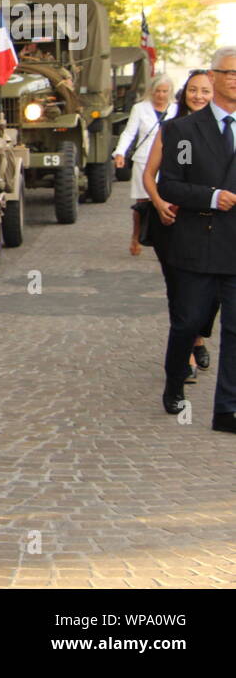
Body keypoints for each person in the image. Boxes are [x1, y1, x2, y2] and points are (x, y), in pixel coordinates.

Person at [156, 47, 236, 432]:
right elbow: (169, 183)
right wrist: (210, 196)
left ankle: (227, 409)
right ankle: (174, 383)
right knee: (188, 323)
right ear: (214, 75)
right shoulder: (183, 131)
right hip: (197, 242)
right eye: (230, 72)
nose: (235, 79)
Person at [143, 70, 216, 385]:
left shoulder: (224, 132)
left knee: (213, 294)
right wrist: (159, 204)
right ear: (185, 93)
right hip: (172, 222)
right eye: (194, 90)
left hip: (214, 226)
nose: (199, 96)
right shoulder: (171, 129)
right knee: (180, 291)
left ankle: (198, 335)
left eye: (206, 91)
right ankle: (184, 354)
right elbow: (150, 174)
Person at [114, 74, 176, 255]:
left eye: (165, 91)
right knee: (142, 203)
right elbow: (129, 133)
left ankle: (165, 241)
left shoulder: (176, 109)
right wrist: (120, 152)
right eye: (158, 91)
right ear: (151, 91)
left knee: (167, 203)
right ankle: (136, 236)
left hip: (169, 162)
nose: (161, 95)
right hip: (144, 160)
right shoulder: (140, 109)